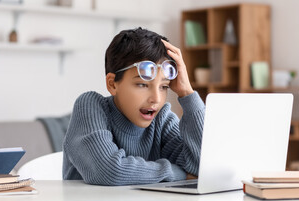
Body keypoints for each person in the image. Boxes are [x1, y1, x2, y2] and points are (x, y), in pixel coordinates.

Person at [63, 27, 205, 186]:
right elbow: (109, 171)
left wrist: (187, 93)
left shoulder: (162, 119)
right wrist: (178, 173)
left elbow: (202, 166)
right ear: (112, 84)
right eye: (142, 85)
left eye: (164, 87)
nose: (156, 99)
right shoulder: (90, 106)